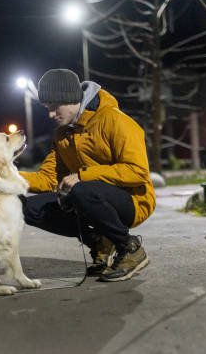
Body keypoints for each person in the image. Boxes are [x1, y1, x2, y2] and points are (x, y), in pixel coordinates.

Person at [19, 69, 156, 282]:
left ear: (70, 99)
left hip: (132, 201)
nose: (51, 115)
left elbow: (138, 172)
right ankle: (100, 241)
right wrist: (4, 178)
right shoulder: (62, 134)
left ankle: (129, 247)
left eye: (54, 107)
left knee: (81, 189)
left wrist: (83, 176)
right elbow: (48, 179)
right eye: (47, 108)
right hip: (87, 195)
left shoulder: (115, 121)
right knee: (23, 207)